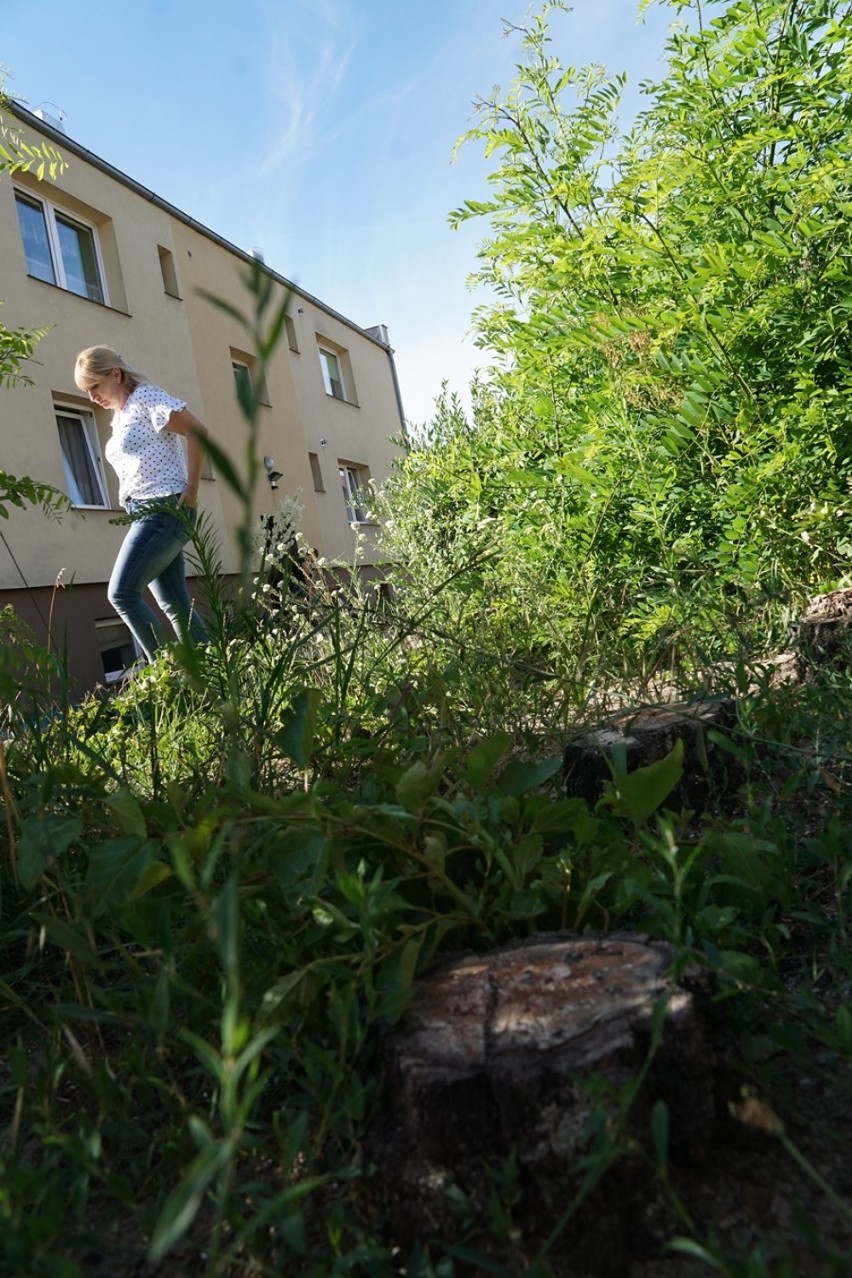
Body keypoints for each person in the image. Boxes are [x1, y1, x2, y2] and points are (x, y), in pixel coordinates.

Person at [74, 345, 209, 664]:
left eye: (94, 387)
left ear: (115, 374)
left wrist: (191, 491)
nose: (92, 398)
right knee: (175, 603)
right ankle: (215, 677)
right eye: (86, 391)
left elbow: (198, 432)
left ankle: (169, 679)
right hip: (145, 512)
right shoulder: (120, 417)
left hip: (163, 507)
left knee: (121, 593)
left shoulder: (146, 398)